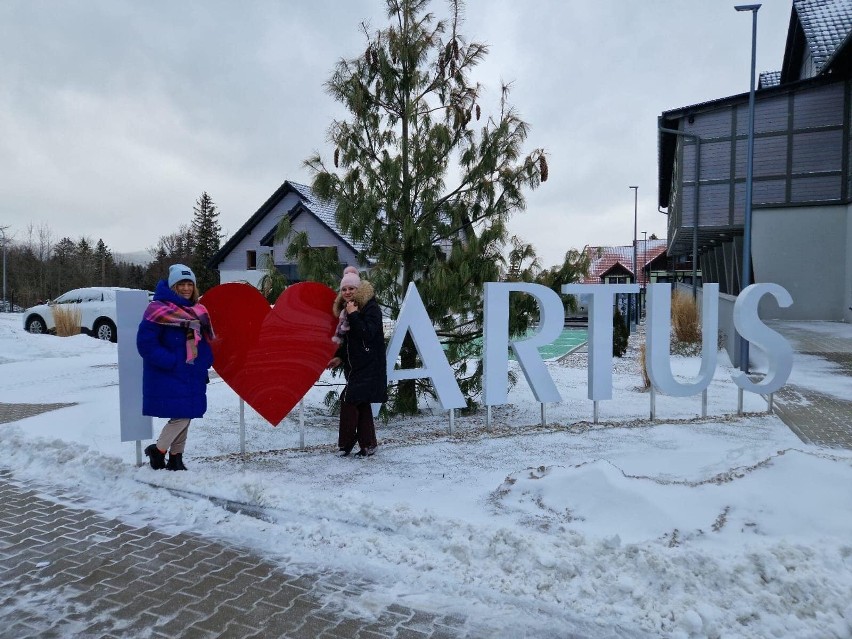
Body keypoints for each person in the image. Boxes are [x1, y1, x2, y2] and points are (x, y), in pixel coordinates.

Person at [137, 264, 214, 471]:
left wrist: (204, 363)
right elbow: (146, 344)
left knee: (186, 413)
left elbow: (204, 342)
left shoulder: (197, 311)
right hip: (169, 373)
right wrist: (171, 361)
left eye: (190, 284)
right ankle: (159, 450)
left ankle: (176, 458)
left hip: (192, 371)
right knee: (182, 415)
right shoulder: (158, 310)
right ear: (173, 287)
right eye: (182, 284)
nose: (187, 288)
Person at [327, 266, 387, 457]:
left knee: (349, 400)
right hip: (357, 366)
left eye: (351, 288)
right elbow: (350, 341)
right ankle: (368, 445)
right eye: (344, 289)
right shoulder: (347, 310)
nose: (347, 292)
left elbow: (367, 334)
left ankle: (346, 445)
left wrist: (353, 315)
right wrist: (340, 357)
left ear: (358, 289)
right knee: (361, 404)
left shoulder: (370, 307)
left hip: (369, 365)